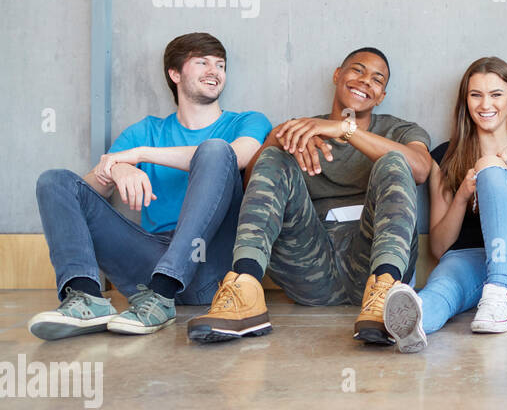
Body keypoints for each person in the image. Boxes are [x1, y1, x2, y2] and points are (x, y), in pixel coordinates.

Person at [28, 32, 272, 340]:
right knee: (55, 180)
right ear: (175, 73)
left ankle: (164, 291)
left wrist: (140, 155)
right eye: (202, 62)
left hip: (211, 267)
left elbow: (238, 155)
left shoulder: (247, 121)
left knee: (215, 150)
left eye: (220, 65)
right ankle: (86, 297)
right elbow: (85, 193)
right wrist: (116, 169)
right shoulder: (145, 130)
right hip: (150, 263)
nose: (215, 71)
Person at [185, 47, 432, 344]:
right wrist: (274, 141)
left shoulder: (399, 130)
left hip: (371, 260)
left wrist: (346, 129)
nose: (366, 80)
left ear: (381, 96)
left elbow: (420, 169)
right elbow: (255, 188)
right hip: (311, 264)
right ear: (337, 75)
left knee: (395, 160)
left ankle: (386, 294)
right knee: (273, 156)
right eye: (357, 70)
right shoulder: (303, 129)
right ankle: (245, 291)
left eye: (377, 79)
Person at [381, 57, 507, 351]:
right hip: (467, 259)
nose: (485, 104)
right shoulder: (445, 156)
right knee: (440, 289)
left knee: (490, 166)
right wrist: (462, 195)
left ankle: (498, 290)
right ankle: (414, 325)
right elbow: (439, 248)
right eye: (476, 95)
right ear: (465, 99)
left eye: (496, 94)